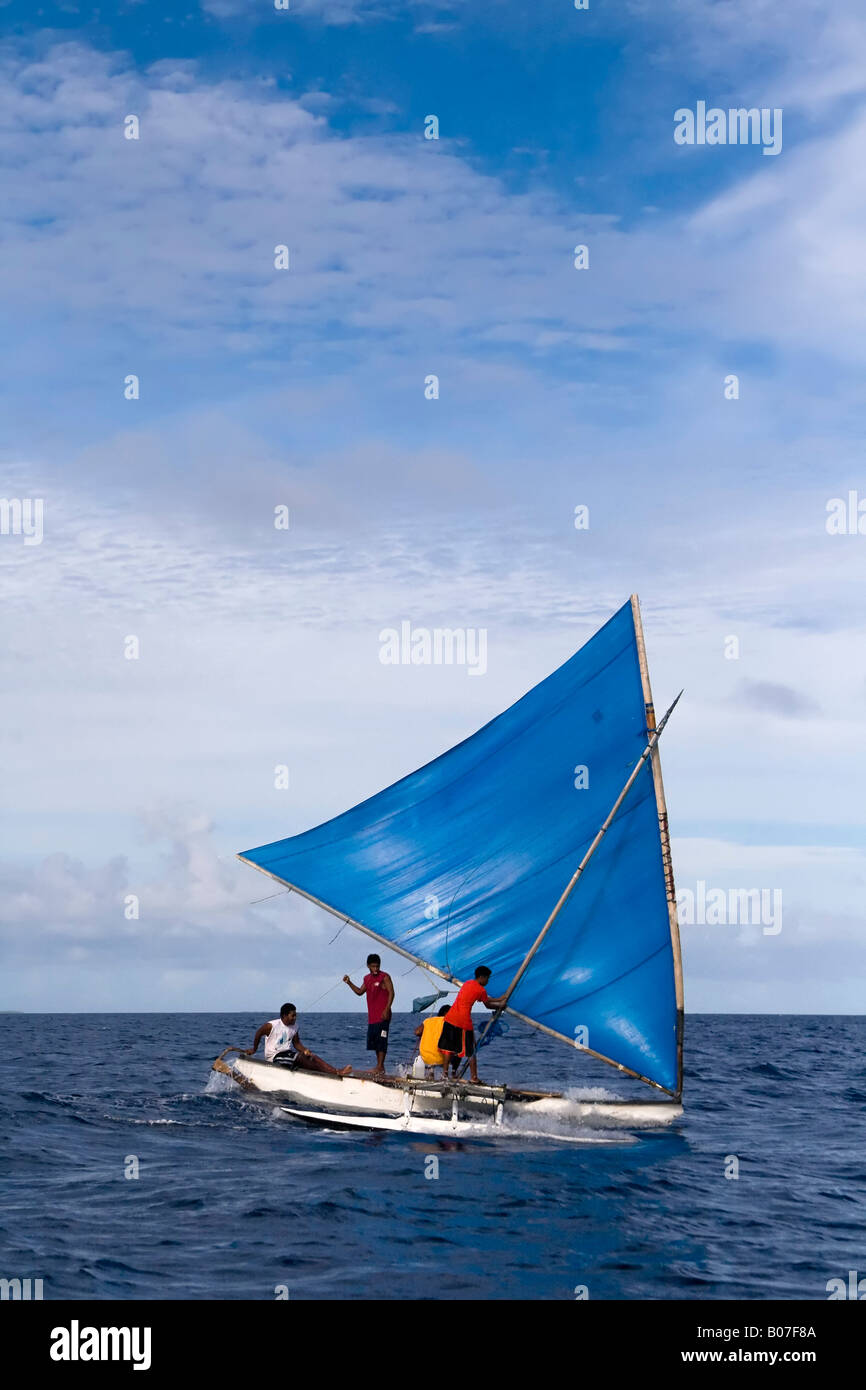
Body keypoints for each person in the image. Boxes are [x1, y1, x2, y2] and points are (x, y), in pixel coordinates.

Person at [437, 966, 506, 1084]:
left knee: (448, 1048)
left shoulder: (467, 983)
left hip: (449, 1018)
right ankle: (474, 1078)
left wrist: (499, 1000)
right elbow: (488, 1004)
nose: (488, 981)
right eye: (487, 979)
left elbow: (487, 1000)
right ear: (482, 977)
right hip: (463, 1021)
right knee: (471, 1051)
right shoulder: (481, 990)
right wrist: (500, 1004)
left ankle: (444, 1075)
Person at [246, 1003, 352, 1075]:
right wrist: (254, 1049)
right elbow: (258, 1033)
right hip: (274, 1057)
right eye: (293, 1016)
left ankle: (336, 1071)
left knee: (311, 1056)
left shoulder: (295, 1026)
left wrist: (305, 1050)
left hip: (287, 1054)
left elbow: (297, 1044)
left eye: (296, 1015)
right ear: (284, 1016)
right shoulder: (271, 1025)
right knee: (299, 1058)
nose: (295, 1018)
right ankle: (328, 1073)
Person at [342, 954, 394, 1074]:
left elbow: (392, 993)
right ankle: (379, 1067)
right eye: (373, 966)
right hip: (372, 1017)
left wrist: (387, 1009)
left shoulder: (385, 977)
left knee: (382, 1041)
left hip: (383, 1015)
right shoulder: (367, 978)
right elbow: (360, 992)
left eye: (377, 966)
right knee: (375, 1042)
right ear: (368, 966)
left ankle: (380, 1066)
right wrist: (349, 982)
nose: (375, 969)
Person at [414, 1004, 451, 1080]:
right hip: (440, 1058)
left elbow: (417, 1032)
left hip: (425, 1057)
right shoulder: (448, 1022)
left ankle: (431, 1071)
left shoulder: (428, 1020)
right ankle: (451, 1073)